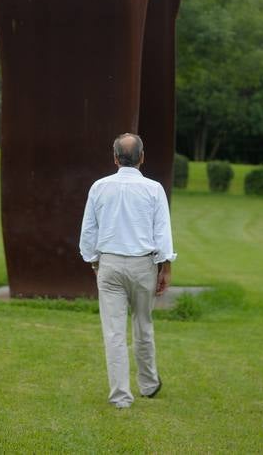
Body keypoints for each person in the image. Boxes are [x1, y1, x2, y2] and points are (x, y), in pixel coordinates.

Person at [79, 132, 177, 409]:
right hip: (143, 264)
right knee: (143, 324)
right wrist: (165, 266)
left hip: (109, 264)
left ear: (115, 158)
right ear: (142, 158)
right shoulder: (154, 189)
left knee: (113, 332)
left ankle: (121, 396)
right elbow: (162, 232)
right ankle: (148, 383)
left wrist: (95, 262)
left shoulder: (99, 187)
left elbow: (88, 231)